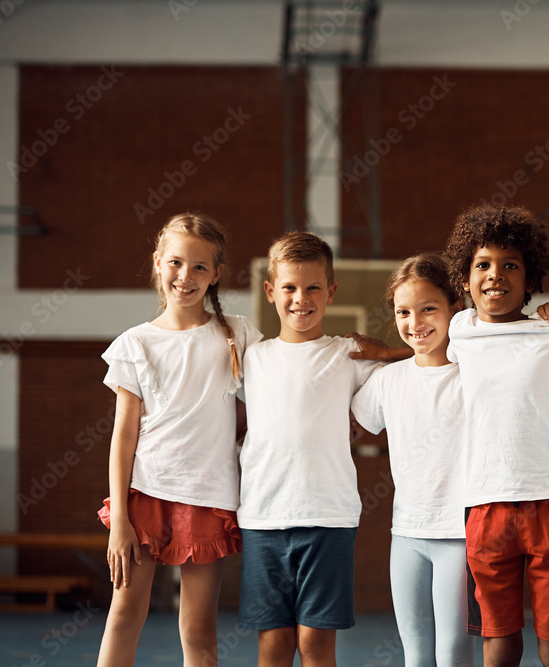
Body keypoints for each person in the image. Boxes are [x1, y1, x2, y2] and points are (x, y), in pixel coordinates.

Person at [443, 204, 549, 667]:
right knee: (498, 642)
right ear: (466, 276)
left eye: (510, 265)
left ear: (530, 278)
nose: (496, 275)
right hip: (484, 505)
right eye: (483, 265)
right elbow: (421, 351)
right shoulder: (459, 329)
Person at [96, 213, 261, 667]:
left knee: (198, 632)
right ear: (157, 263)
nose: (185, 277)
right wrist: (122, 521)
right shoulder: (136, 343)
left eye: (200, 267)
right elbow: (123, 435)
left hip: (208, 498)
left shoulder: (237, 334)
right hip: (144, 495)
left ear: (217, 274)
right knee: (124, 615)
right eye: (175, 263)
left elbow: (275, 393)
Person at [236, 231, 380, 667]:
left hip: (328, 518)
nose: (302, 298)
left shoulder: (349, 355)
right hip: (264, 518)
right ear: (270, 291)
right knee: (274, 645)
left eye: (314, 287)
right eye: (290, 288)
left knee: (316, 644)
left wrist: (388, 349)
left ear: (331, 292)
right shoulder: (251, 358)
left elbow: (425, 360)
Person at [350, 253, 475, 667]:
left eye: (428, 309)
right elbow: (353, 417)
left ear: (455, 308)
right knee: (416, 652)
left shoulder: (474, 375)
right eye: (404, 312)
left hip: (460, 534)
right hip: (405, 535)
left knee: (453, 651)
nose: (415, 322)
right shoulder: (387, 382)